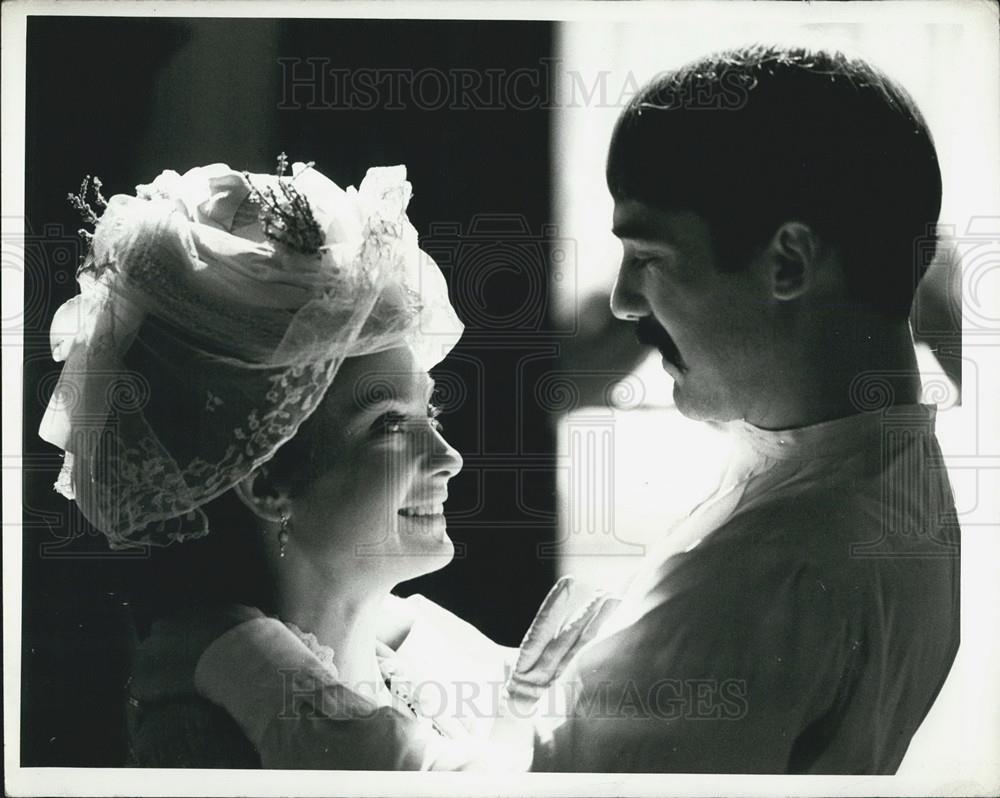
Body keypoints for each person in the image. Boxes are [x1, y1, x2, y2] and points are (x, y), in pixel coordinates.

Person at [131, 44, 960, 774]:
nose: (628, 302)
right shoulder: (896, 483)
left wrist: (249, 663)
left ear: (788, 261)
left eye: (648, 254)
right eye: (391, 420)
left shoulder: (781, 564)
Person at [40, 158, 610, 769]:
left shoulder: (419, 648)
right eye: (390, 425)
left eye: (432, 417)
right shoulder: (214, 733)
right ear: (266, 482)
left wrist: (521, 710)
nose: (449, 458)